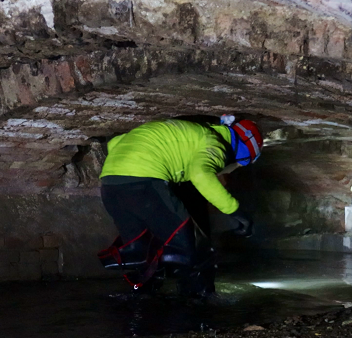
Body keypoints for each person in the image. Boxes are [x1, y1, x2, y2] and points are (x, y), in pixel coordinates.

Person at [97, 114, 263, 297]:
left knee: (142, 253)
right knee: (197, 250)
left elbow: (115, 143)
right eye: (244, 161)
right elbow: (200, 175)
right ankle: (200, 307)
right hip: (144, 186)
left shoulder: (194, 134)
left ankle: (142, 302)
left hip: (110, 187)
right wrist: (237, 213)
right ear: (244, 149)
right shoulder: (215, 143)